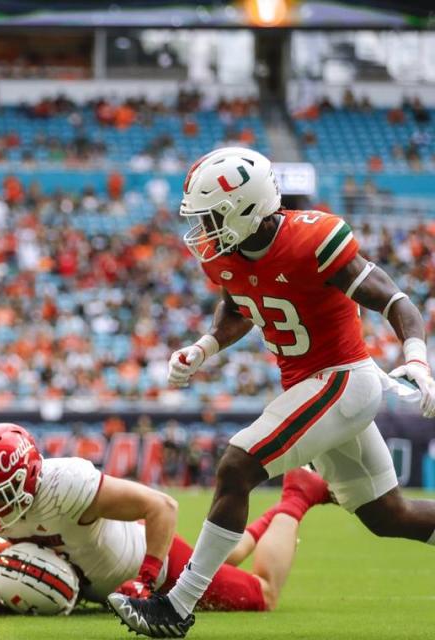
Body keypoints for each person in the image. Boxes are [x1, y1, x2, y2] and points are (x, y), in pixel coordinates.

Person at [109, 147, 435, 638]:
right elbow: (238, 307)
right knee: (390, 516)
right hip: (312, 387)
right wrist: (202, 348)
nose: (204, 230)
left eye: (212, 216)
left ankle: (177, 606)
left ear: (245, 207)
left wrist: (416, 358)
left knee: (236, 465)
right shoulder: (228, 256)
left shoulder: (313, 238)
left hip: (343, 377)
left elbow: (394, 299)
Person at [0, 424, 328, 617]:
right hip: (98, 579)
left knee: (259, 593)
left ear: (30, 477)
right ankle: (261, 525)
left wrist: (145, 581)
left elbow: (162, 507)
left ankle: (297, 496)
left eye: (4, 493)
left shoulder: (69, 485)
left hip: (144, 565)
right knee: (231, 549)